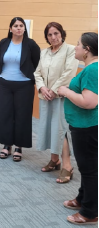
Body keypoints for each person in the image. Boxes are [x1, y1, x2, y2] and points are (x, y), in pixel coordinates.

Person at [58, 32, 98, 225]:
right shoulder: (90, 68)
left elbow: (89, 102)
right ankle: (83, 199)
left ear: (87, 50)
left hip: (87, 126)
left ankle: (90, 212)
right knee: (86, 167)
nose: (75, 47)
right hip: (83, 125)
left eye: (78, 44)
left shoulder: (92, 70)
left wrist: (66, 91)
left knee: (89, 169)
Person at [34, 22, 79, 183]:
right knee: (49, 127)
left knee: (61, 130)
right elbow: (37, 72)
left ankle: (67, 166)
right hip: (46, 96)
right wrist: (42, 88)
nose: (53, 37)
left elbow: (69, 73)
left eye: (56, 33)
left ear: (62, 33)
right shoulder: (44, 52)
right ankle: (55, 160)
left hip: (61, 96)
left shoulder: (70, 50)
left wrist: (53, 89)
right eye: (50, 35)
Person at [0, 17, 40, 161]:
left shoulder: (31, 44)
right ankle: (6, 144)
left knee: (22, 115)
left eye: (21, 26)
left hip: (24, 85)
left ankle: (19, 147)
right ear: (10, 29)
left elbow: (36, 62)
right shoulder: (4, 43)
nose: (19, 28)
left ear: (24, 29)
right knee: (5, 113)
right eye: (16, 26)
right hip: (5, 83)